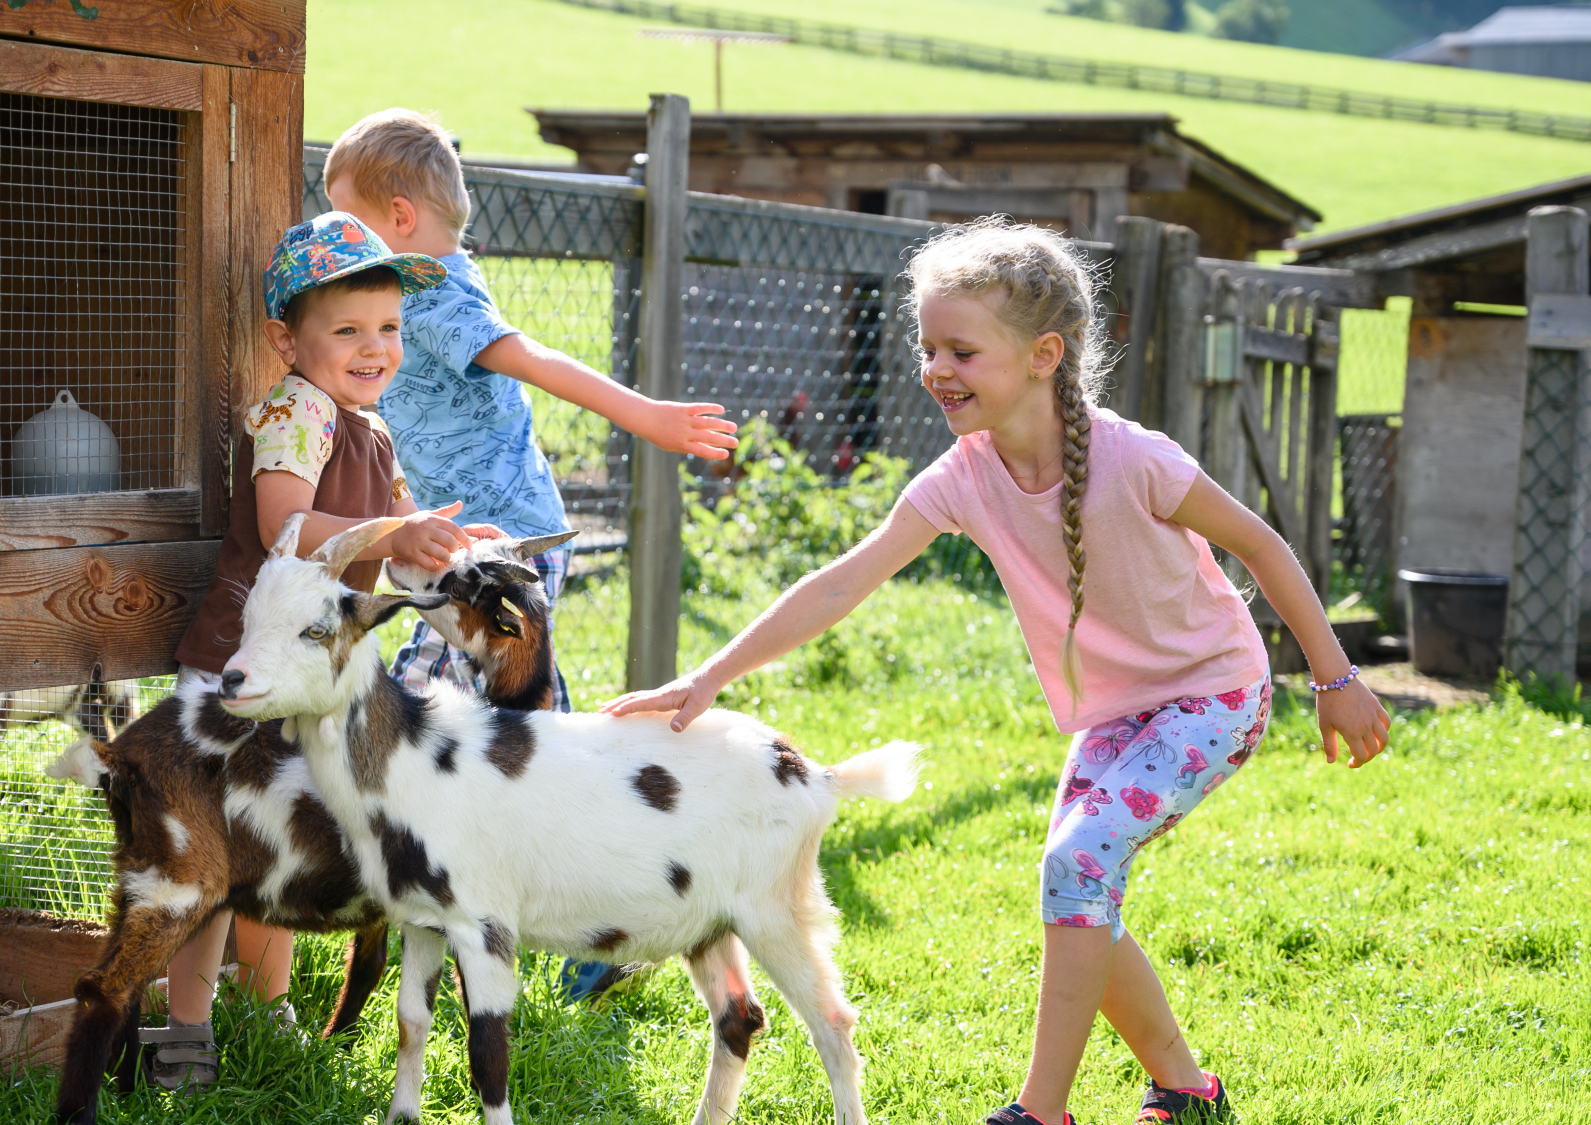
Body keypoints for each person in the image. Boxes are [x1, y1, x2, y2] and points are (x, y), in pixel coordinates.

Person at [602, 219, 1391, 1125]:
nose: (936, 367)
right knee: (1078, 886)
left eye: (962, 350)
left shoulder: (1137, 460)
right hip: (1118, 712)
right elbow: (841, 582)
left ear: (1044, 354)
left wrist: (1335, 681)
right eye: (928, 345)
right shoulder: (963, 475)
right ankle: (1187, 1089)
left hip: (1216, 692)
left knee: (1077, 864)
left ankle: (1038, 1112)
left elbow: (1263, 545)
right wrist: (704, 678)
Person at [322, 108, 740, 1001]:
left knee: (418, 702)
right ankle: (614, 918)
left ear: (398, 217)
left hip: (499, 555)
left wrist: (648, 416)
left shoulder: (430, 289)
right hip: (482, 538)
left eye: (343, 218)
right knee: (546, 738)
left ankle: (434, 896)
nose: (333, 240)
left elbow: (531, 356)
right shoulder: (422, 277)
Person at [154, 211, 475, 1089]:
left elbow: (390, 548)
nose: (375, 349)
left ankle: (264, 1013)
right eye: (348, 331)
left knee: (282, 839)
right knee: (215, 852)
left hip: (307, 680)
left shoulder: (372, 428)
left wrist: (445, 548)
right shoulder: (300, 409)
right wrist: (393, 530)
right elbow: (284, 525)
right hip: (242, 667)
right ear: (285, 338)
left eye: (389, 329)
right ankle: (184, 1029)